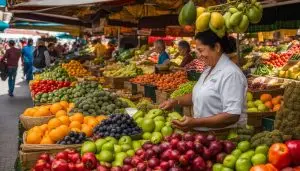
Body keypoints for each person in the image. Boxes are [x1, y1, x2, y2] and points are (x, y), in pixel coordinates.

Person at [160, 30, 247, 133]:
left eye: (201, 50)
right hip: (205, 136)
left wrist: (196, 122)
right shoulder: (208, 70)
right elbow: (197, 95)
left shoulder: (231, 74)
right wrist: (175, 101)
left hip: (223, 138)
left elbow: (232, 115)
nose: (199, 55)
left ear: (217, 47)